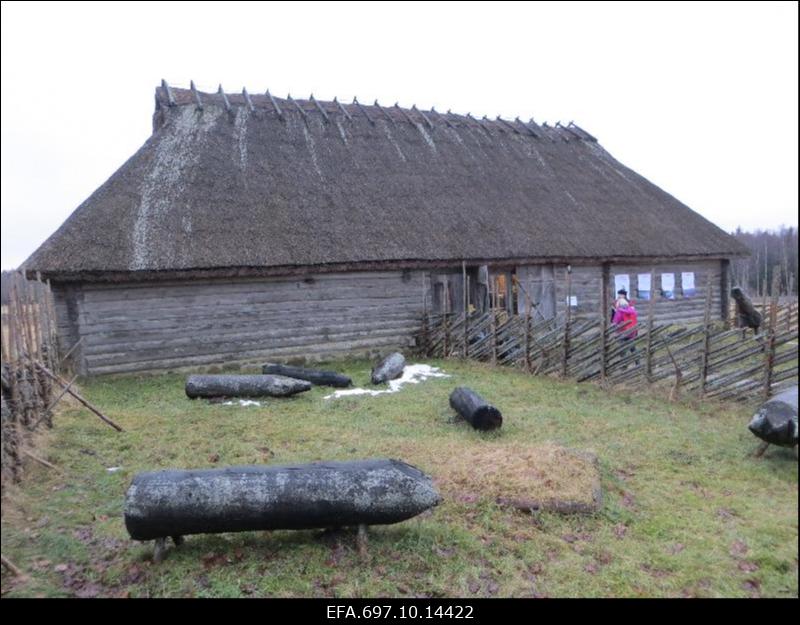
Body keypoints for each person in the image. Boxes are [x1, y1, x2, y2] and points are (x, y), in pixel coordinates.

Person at [612, 298, 639, 364]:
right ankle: (637, 362)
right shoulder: (632, 311)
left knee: (622, 349)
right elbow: (635, 321)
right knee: (632, 348)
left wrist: (614, 327)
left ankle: (624, 364)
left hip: (623, 332)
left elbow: (615, 322)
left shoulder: (620, 312)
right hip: (632, 332)